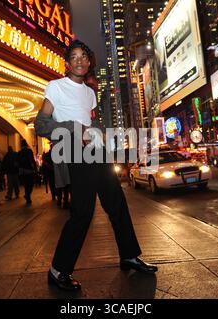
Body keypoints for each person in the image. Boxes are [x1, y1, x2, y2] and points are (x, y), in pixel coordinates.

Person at [35, 40, 157, 291]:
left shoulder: (90, 93)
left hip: (97, 151)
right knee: (82, 212)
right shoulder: (55, 87)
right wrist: (73, 129)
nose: (79, 61)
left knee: (116, 203)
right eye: (74, 57)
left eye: (84, 57)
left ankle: (129, 256)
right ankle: (58, 270)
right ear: (67, 63)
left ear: (89, 62)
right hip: (74, 151)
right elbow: (41, 125)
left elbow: (90, 124)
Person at [17, 140, 38, 205]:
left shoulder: (19, 152)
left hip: (22, 171)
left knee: (26, 185)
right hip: (29, 170)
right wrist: (35, 168)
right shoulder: (29, 151)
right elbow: (32, 160)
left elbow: (18, 162)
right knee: (31, 184)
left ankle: (27, 195)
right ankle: (27, 195)